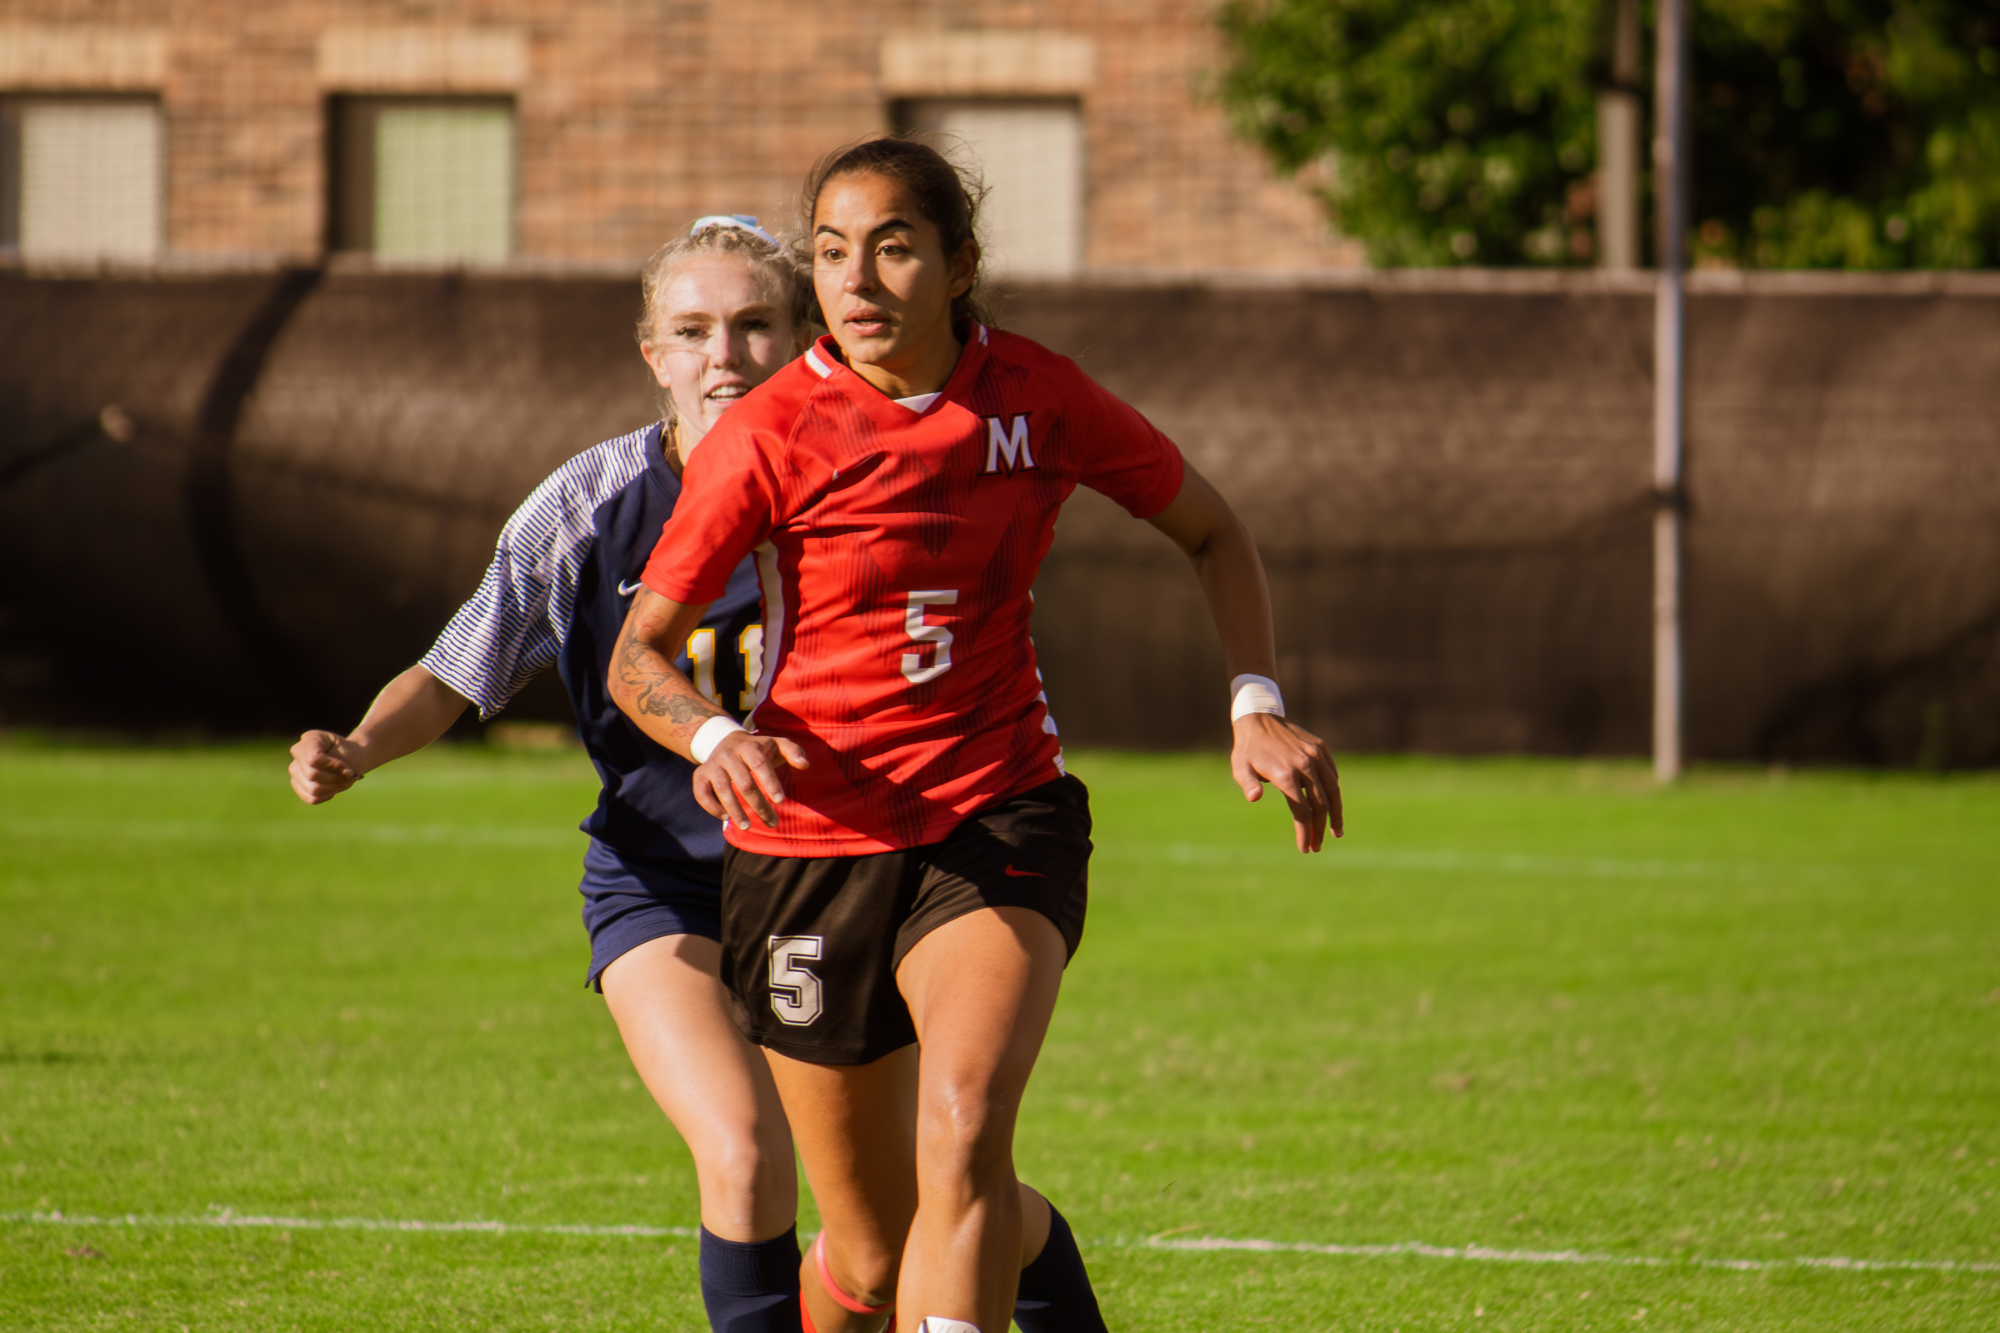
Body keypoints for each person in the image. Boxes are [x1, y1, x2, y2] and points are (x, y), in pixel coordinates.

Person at [609, 137, 1343, 1333]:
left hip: (993, 812)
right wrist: (709, 740)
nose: (856, 282)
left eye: (893, 248)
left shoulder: (1038, 398)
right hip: (808, 848)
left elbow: (1212, 529)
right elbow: (637, 657)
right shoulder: (770, 431)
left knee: (960, 1130)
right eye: (834, 253)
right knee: (870, 1252)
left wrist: (1253, 701)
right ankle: (1001, 1257)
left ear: (958, 267)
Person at [287, 216, 815, 1333]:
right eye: (693, 330)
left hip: (839, 882)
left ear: (803, 337)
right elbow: (457, 662)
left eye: (755, 324)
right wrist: (361, 747)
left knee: (927, 1184)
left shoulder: (858, 487)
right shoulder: (587, 502)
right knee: (745, 1149)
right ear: (653, 355)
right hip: (662, 879)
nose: (724, 353)